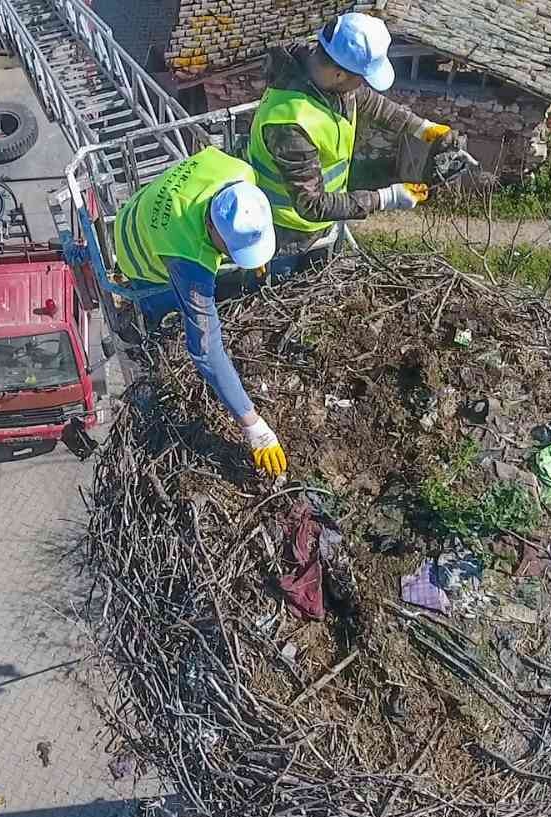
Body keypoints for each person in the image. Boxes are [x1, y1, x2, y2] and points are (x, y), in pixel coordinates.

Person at [112, 146, 288, 477]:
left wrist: (255, 253)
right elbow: (206, 353)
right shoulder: (188, 257)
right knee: (167, 320)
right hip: (139, 253)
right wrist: (254, 427)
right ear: (212, 231)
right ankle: (157, 338)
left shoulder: (240, 175)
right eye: (233, 250)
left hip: (148, 203)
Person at [248, 12, 465, 276]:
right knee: (280, 301)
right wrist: (385, 198)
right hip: (286, 235)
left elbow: (370, 102)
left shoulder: (321, 76)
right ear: (339, 74)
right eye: (361, 77)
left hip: (325, 225)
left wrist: (423, 128)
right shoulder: (290, 124)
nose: (363, 84)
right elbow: (312, 205)